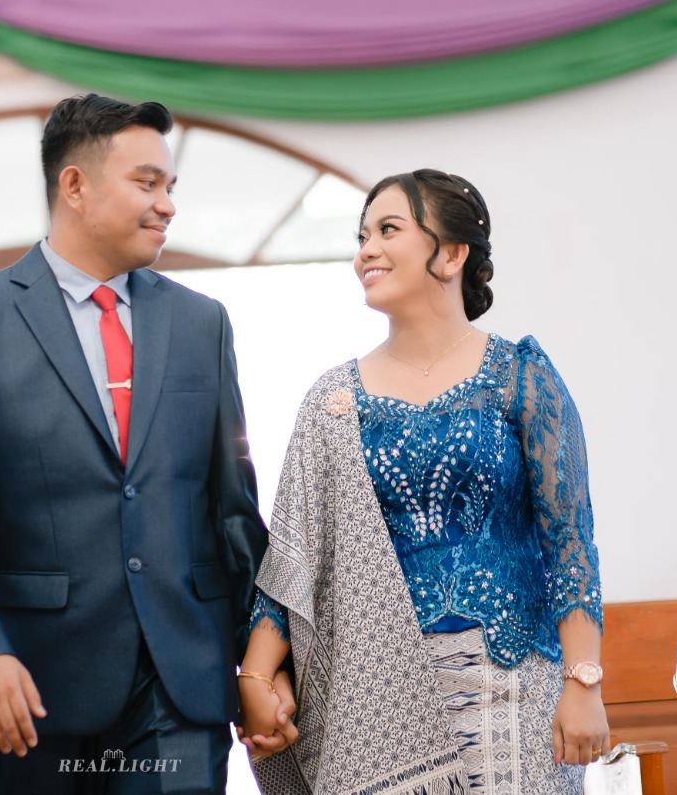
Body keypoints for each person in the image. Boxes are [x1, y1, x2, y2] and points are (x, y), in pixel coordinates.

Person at [0, 93, 282, 794]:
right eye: (147, 183)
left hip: (182, 685)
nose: (167, 205)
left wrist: (263, 663)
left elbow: (233, 513)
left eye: (171, 186)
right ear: (75, 186)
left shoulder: (203, 324)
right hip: (35, 688)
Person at [238, 169, 608, 795]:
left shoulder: (520, 376)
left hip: (516, 687)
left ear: (453, 254)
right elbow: (295, 561)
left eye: (388, 230)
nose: (367, 251)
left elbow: (570, 541)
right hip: (377, 698)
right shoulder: (333, 401)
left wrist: (583, 682)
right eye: (362, 237)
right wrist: (254, 677)